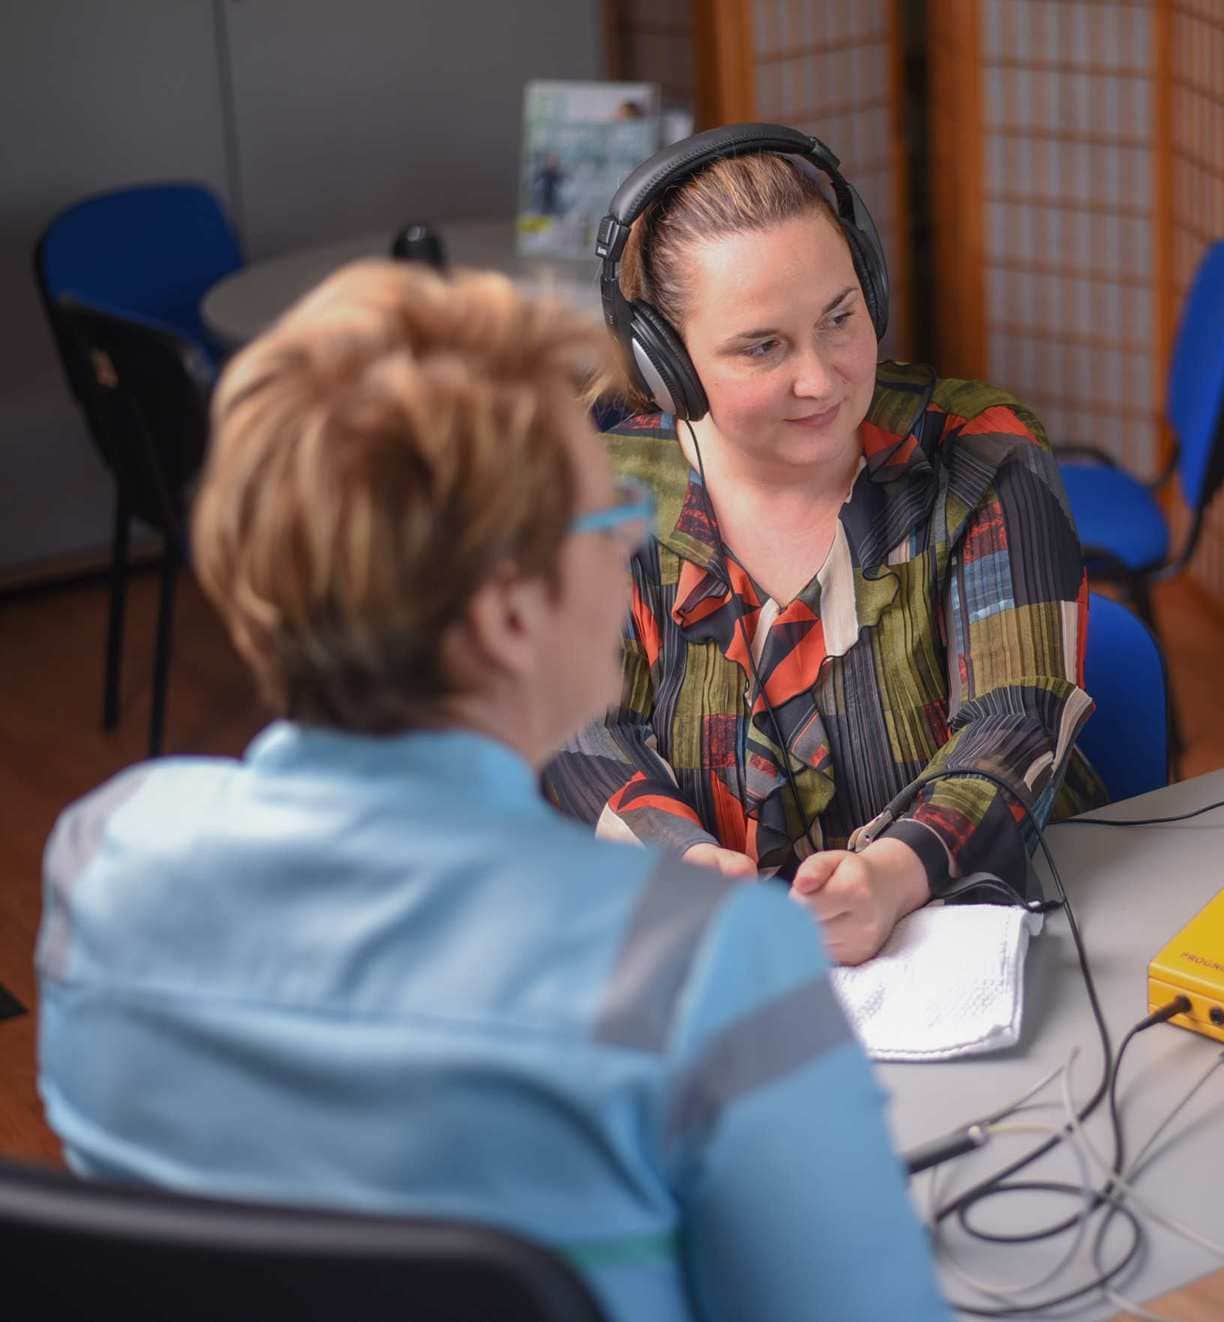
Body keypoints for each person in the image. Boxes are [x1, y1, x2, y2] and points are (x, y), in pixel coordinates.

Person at [36, 262, 950, 1322]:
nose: (635, 542)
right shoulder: (704, 965)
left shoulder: (102, 857)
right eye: (608, 509)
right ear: (510, 614)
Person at [546, 126, 1105, 965]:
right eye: (762, 347)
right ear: (668, 363)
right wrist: (680, 862)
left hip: (966, 936)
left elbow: (1016, 721)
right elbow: (579, 728)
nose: (822, 378)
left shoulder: (982, 454)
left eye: (839, 318)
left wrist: (889, 876)